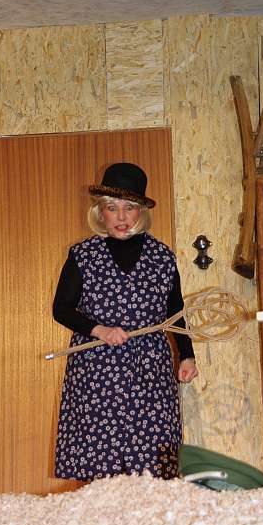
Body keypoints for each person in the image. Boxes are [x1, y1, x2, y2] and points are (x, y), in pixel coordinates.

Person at [53, 162, 198, 481]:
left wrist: (187, 355)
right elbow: (61, 309)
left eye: (129, 207)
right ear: (100, 212)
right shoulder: (82, 255)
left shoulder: (162, 258)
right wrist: (100, 329)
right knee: (101, 469)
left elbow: (175, 312)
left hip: (150, 372)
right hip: (97, 373)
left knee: (153, 465)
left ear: (141, 211)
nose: (121, 216)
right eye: (112, 208)